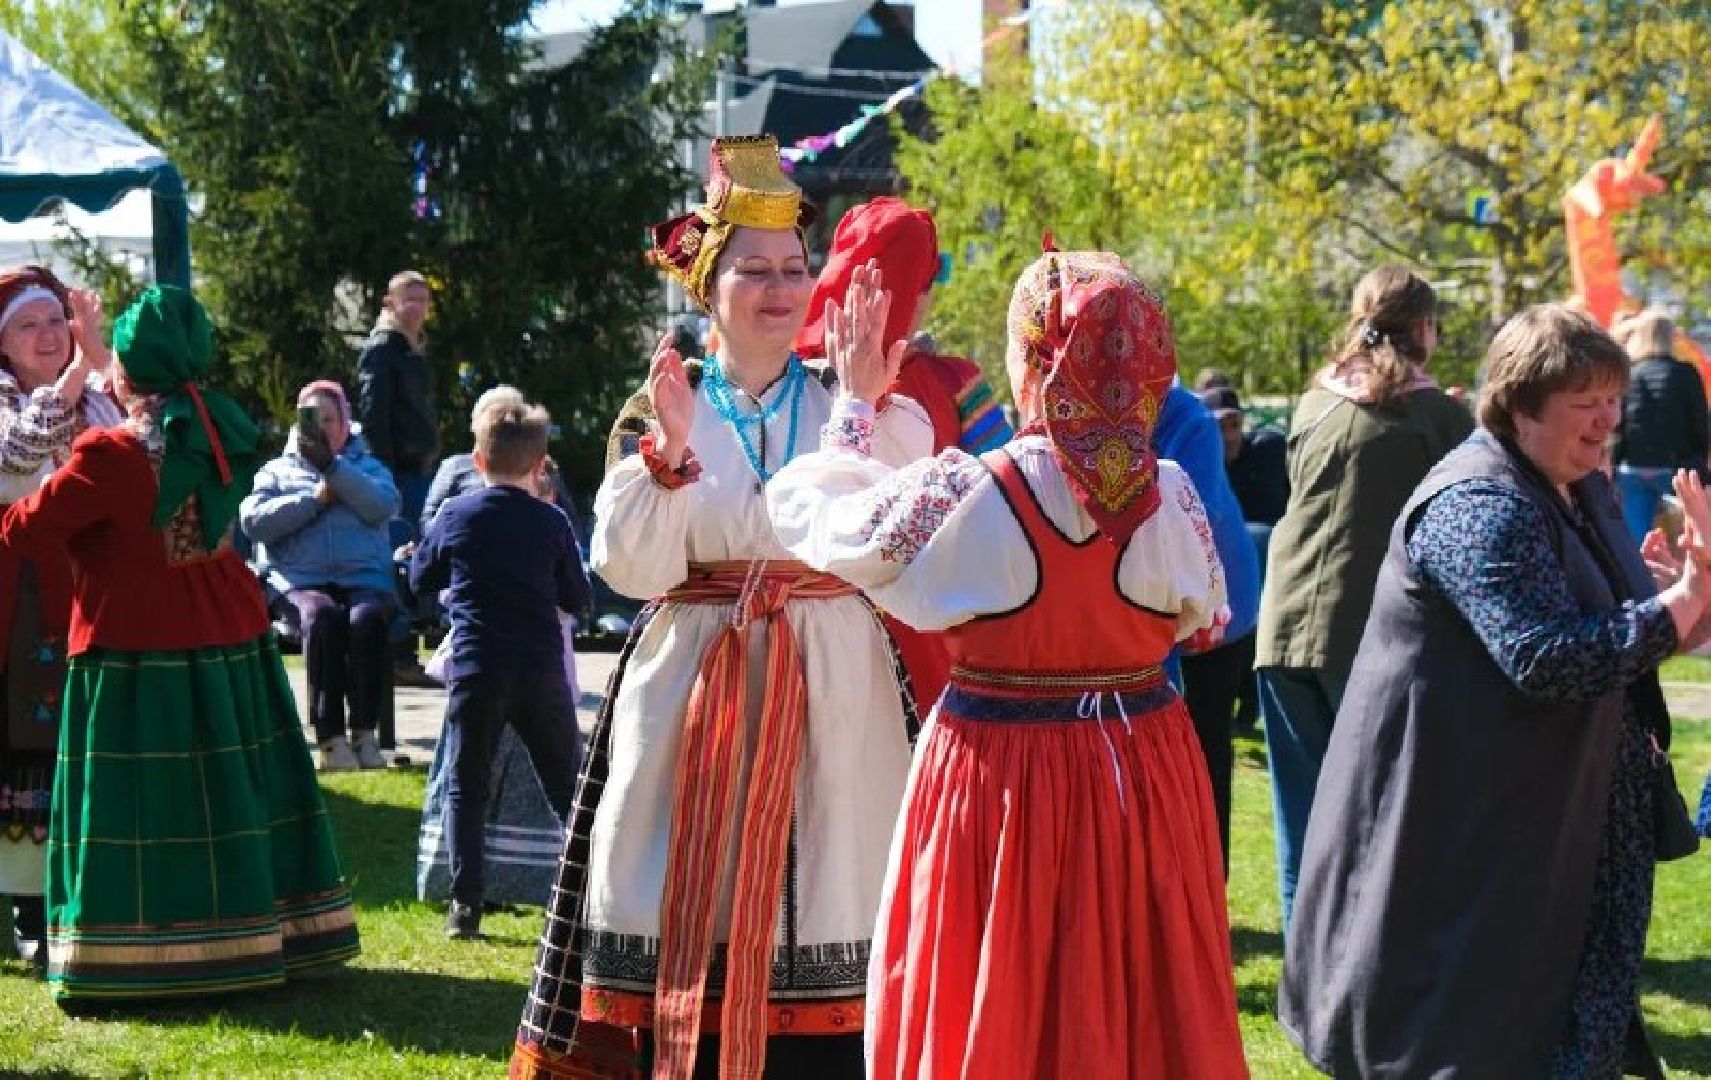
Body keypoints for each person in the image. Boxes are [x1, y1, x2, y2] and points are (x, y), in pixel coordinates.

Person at [768, 246, 1247, 1078]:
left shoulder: (966, 492)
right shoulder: (1169, 494)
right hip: (1140, 767)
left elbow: (820, 523)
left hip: (1001, 776)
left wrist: (853, 404)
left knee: (997, 980)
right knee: (1137, 988)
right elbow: (1205, 621)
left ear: (1027, 356)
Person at [511, 135, 930, 1080]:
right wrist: (667, 452)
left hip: (832, 680)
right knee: (678, 887)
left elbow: (891, 540)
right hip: (694, 682)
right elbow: (626, 564)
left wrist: (863, 409)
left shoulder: (862, 403)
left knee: (832, 866)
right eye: (755, 270)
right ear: (708, 286)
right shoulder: (666, 403)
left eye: (794, 268)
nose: (781, 288)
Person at [1282, 305, 1705, 1078]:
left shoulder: (1578, 486)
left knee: (1572, 1037)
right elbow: (1543, 656)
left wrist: (1683, 603)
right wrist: (1677, 605)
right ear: (1517, 405)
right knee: (1474, 1043)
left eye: (1612, 397)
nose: (1608, 419)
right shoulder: (1478, 505)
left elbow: (1618, 631)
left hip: (1568, 823)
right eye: (1585, 403)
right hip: (1467, 842)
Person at [0, 286, 358, 1000]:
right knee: (230, 791)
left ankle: (139, 955)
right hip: (230, 633)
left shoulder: (110, 452)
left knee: (145, 805)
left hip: (135, 641)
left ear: (127, 372)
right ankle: (264, 934)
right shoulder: (222, 424)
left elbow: (23, 528)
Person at [1253, 265, 1473, 925]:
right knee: (1378, 825)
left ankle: (1308, 988)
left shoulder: (1314, 399)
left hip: (1282, 627)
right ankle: (1366, 982)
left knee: (1304, 827)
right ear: (1424, 329)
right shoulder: (1434, 413)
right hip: (1364, 638)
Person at [795, 196, 1012, 712]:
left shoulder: (787, 383)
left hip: (801, 627)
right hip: (928, 623)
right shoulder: (954, 383)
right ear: (917, 288)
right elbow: (1007, 498)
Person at [410, 402, 586, 940]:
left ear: (478, 459)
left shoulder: (456, 514)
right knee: (568, 786)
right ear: (539, 465)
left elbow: (420, 580)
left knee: (468, 783)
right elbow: (576, 597)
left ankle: (466, 903)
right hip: (539, 667)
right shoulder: (552, 521)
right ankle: (590, 895)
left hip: (478, 665)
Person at [0, 266, 123, 966]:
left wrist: (96, 359)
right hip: (12, 591)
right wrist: (77, 373)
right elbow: (14, 457)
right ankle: (22, 906)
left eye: (57, 321)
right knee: (15, 734)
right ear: (4, 346)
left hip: (77, 585)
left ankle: (46, 905)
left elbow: (132, 443)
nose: (49, 336)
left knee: (57, 742)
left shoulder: (85, 392)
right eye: (29, 325)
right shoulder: (6, 396)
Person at [239, 380, 401, 771]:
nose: (324, 427)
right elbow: (252, 521)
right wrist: (314, 500)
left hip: (363, 579)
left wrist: (335, 470)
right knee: (323, 617)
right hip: (297, 581)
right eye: (313, 418)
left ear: (346, 421)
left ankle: (365, 733)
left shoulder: (369, 467)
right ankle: (330, 738)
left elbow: (383, 506)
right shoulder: (277, 470)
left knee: (365, 619)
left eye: (331, 418)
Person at [1152, 383, 1259, 874]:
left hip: (1217, 611)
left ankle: (1209, 886)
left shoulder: (1189, 420)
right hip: (1153, 610)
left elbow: (1195, 515)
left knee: (1206, 750)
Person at [354, 269, 437, 687]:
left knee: (411, 557)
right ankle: (398, 650)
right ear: (390, 303)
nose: (417, 308)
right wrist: (382, 474)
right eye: (409, 299)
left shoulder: (412, 348)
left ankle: (405, 649)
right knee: (397, 558)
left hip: (415, 468)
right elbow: (374, 416)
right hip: (397, 473)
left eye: (422, 299)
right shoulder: (384, 348)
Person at [1202, 385, 1289, 732]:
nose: (1228, 435)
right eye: (1220, 427)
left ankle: (1254, 701)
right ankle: (1245, 702)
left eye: (1234, 424)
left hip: (1272, 557)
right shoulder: (1206, 467)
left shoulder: (1266, 450)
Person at [1611, 308, 1709, 543]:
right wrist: (1700, 464)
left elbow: (1619, 424)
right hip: (1676, 469)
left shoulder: (1631, 374)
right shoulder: (1685, 374)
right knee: (1683, 542)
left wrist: (1616, 462)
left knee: (1637, 543)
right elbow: (1700, 424)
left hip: (1632, 468)